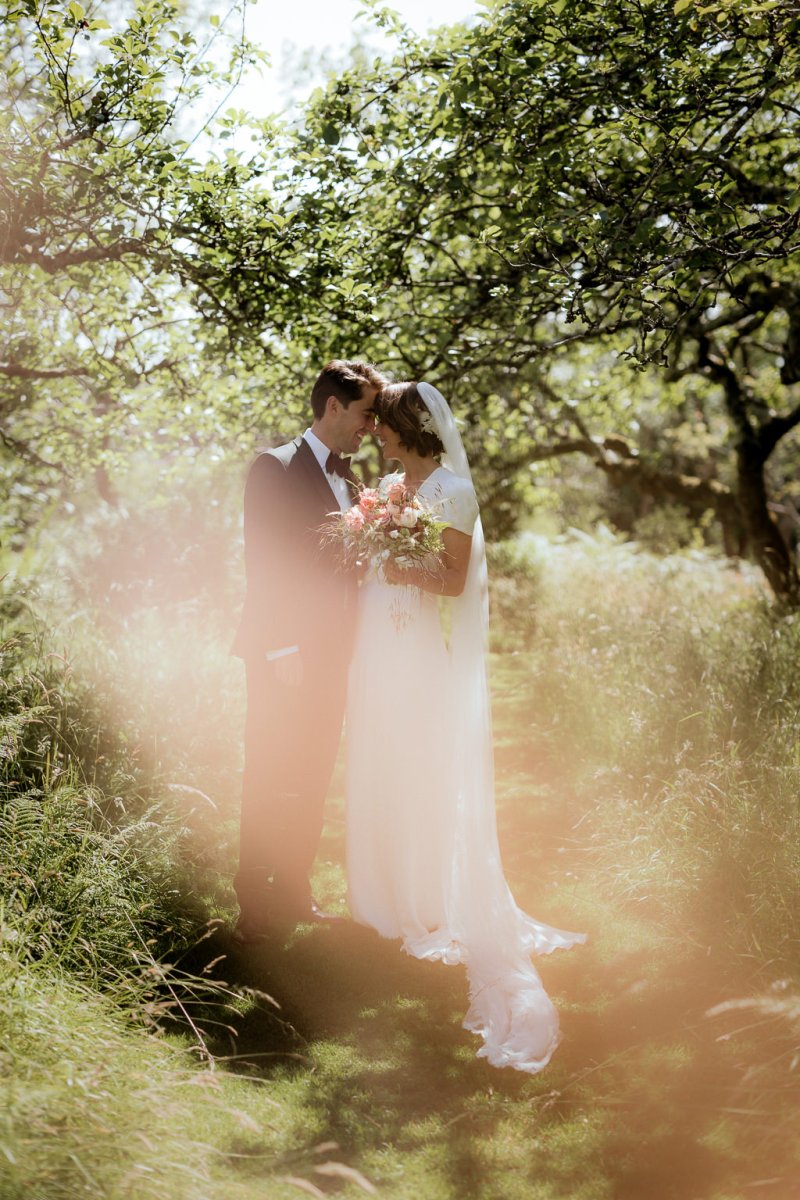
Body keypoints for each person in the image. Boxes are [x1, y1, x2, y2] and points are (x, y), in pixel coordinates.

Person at [345, 381, 585, 1073]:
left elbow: (452, 580)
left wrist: (395, 560)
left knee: (417, 766)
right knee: (376, 760)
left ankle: (424, 898)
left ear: (407, 429)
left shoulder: (452, 490)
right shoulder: (389, 485)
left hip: (415, 644)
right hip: (376, 643)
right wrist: (370, 545)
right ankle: (379, 896)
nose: (375, 434)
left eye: (382, 424)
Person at [231, 359, 384, 942]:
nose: (370, 427)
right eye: (366, 414)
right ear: (334, 407)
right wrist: (281, 645)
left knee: (314, 769)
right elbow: (265, 560)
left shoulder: (349, 478)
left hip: (332, 652)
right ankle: (253, 905)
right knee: (269, 768)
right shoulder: (273, 467)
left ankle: (295, 890)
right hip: (282, 651)